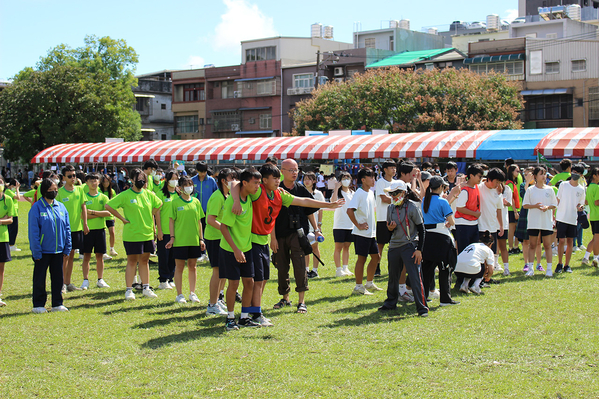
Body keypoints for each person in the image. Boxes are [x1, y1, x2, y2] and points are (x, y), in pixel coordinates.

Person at [232, 163, 342, 323]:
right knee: (256, 280)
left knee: (262, 279)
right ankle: (252, 314)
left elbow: (303, 201)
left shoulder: (278, 195)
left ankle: (253, 313)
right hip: (253, 240)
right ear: (264, 180)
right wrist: (236, 200)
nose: (278, 181)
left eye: (278, 178)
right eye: (274, 178)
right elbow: (235, 184)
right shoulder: (258, 191)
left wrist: (328, 205)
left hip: (264, 240)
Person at [271, 159, 321, 313]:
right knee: (282, 267)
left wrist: (316, 228)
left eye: (296, 170)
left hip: (298, 234)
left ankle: (301, 301)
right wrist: (272, 238)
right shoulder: (276, 189)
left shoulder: (300, 189)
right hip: (280, 234)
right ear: (282, 171)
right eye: (291, 170)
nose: (294, 173)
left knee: (300, 267)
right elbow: (270, 217)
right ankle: (285, 298)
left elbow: (309, 210)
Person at [106, 168, 162, 300]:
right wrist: (122, 219)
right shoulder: (125, 195)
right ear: (131, 180)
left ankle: (146, 288)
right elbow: (109, 206)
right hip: (132, 235)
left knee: (145, 261)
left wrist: (153, 225)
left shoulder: (149, 194)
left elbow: (158, 205)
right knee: (132, 262)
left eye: (143, 178)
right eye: (138, 179)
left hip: (147, 234)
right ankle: (129, 289)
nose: (141, 181)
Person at [378, 180, 428, 316]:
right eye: (391, 193)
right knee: (393, 276)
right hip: (394, 246)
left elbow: (421, 229)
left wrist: (419, 250)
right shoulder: (390, 208)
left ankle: (422, 308)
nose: (393, 196)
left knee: (415, 277)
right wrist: (390, 228)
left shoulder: (412, 207)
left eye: (396, 193)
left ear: (404, 193)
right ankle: (390, 303)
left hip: (409, 246)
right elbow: (389, 230)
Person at [219, 168, 261, 331]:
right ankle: (230, 318)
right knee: (234, 283)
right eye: (255, 183)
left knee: (249, 282)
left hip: (247, 247)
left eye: (259, 183)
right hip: (231, 249)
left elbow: (235, 184)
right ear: (245, 183)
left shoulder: (248, 196)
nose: (258, 186)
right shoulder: (231, 202)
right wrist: (236, 249)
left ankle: (244, 317)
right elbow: (223, 228)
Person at [29, 178, 71, 313]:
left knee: (58, 278)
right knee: (40, 278)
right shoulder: (36, 207)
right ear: (44, 191)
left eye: (55, 190)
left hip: (58, 250)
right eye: (50, 190)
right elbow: (33, 232)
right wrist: (36, 251)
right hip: (43, 250)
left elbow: (67, 228)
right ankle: (38, 304)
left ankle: (57, 303)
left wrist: (67, 246)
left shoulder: (61, 207)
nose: (54, 192)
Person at [165, 176, 205, 304]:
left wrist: (201, 239)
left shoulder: (196, 202)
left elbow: (199, 221)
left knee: (193, 267)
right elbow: (171, 221)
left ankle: (192, 293)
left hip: (193, 240)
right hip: (180, 241)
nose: (189, 187)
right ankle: (179, 294)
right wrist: (172, 238)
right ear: (180, 188)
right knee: (179, 267)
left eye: (190, 184)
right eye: (186, 185)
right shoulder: (175, 203)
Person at [421, 176, 459, 306]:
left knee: (427, 270)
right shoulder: (443, 202)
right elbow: (451, 221)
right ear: (442, 187)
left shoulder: (424, 200)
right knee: (444, 269)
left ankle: (424, 297)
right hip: (441, 237)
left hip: (427, 238)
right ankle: (445, 299)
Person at [204, 168, 236, 316]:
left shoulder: (227, 195)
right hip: (214, 237)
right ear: (223, 181)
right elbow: (210, 219)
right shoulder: (217, 196)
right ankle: (212, 305)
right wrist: (225, 230)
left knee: (223, 272)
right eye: (232, 178)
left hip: (222, 237)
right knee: (217, 271)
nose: (234, 181)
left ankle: (217, 300)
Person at [347, 168, 382, 295]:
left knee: (376, 257)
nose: (373, 180)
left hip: (371, 233)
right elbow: (350, 210)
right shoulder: (359, 193)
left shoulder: (370, 193)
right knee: (362, 259)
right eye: (371, 177)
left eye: (374, 177)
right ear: (363, 180)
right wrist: (358, 225)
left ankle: (369, 282)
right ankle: (358, 286)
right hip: (361, 234)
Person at [56, 165, 88, 293]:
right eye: (70, 176)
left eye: (74, 175)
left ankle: (68, 282)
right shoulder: (59, 193)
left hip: (77, 228)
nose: (73, 178)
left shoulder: (79, 190)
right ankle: (61, 283)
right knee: (64, 257)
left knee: (72, 255)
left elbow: (83, 207)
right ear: (63, 178)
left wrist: (85, 223)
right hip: (64, 229)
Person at [522, 166, 558, 277]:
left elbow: (554, 204)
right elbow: (525, 205)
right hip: (533, 222)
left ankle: (549, 269)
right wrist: (535, 206)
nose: (544, 176)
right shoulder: (531, 190)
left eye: (545, 173)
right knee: (532, 244)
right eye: (541, 174)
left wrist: (547, 207)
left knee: (547, 245)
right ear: (536, 176)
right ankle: (531, 268)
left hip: (546, 221)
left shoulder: (550, 189)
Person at [79, 173, 111, 289]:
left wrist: (91, 212)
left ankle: (100, 279)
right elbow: (82, 215)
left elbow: (108, 212)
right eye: (91, 180)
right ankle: (85, 280)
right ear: (86, 183)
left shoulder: (103, 197)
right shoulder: (83, 197)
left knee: (99, 256)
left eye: (96, 180)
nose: (94, 183)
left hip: (100, 230)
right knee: (86, 256)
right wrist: (99, 214)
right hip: (87, 230)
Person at [554, 164, 585, 274]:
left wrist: (580, 207)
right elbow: (558, 199)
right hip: (562, 217)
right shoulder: (563, 184)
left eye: (578, 173)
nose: (575, 175)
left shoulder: (581, 189)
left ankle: (567, 264)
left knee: (570, 241)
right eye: (574, 172)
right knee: (561, 240)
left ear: (581, 175)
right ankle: (560, 263)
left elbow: (581, 203)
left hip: (572, 218)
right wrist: (554, 214)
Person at [477, 167, 505, 272]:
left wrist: (501, 226)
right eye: (496, 182)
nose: (498, 185)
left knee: (491, 254)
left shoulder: (497, 193)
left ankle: (488, 275)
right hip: (480, 226)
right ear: (489, 179)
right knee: (481, 254)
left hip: (493, 227)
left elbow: (499, 210)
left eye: (500, 183)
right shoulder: (479, 188)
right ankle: (480, 276)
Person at [155, 170, 179, 290]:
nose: (175, 181)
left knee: (173, 256)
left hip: (176, 231)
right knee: (164, 256)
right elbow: (157, 214)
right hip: (164, 230)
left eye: (176, 178)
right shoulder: (160, 194)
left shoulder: (179, 194)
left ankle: (170, 277)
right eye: (172, 179)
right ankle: (163, 279)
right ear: (167, 180)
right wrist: (159, 230)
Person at [374, 160, 397, 277]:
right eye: (391, 168)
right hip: (383, 218)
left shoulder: (397, 182)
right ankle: (376, 267)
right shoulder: (380, 183)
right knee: (380, 245)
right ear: (385, 170)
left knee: (395, 245)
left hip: (395, 218)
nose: (393, 170)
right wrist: (397, 199)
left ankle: (393, 267)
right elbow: (384, 198)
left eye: (394, 167)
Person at [453, 164, 484, 253]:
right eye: (479, 176)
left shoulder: (476, 186)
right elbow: (459, 208)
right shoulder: (465, 190)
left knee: (473, 250)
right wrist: (475, 213)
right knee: (464, 251)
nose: (480, 178)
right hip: (463, 223)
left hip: (473, 223)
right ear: (471, 175)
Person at [192, 161, 218, 262]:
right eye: (201, 171)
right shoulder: (192, 181)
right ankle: (201, 252)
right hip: (196, 212)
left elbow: (216, 195)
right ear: (197, 171)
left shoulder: (211, 181)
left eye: (205, 171)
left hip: (209, 212)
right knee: (199, 232)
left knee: (208, 232)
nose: (203, 174)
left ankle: (208, 252)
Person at [331, 172, 355, 277]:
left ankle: (345, 268)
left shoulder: (353, 193)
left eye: (347, 178)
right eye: (343, 178)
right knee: (338, 247)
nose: (346, 180)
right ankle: (338, 269)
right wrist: (336, 188)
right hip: (339, 224)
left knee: (347, 246)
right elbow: (333, 202)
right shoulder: (338, 192)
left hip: (350, 224)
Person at [302, 172, 325, 278]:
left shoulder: (318, 194)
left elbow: (320, 211)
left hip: (314, 225)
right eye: (305, 179)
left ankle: (315, 270)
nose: (306, 181)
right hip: (303, 225)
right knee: (305, 248)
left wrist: (319, 225)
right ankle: (306, 270)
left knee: (315, 247)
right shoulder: (300, 192)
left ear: (314, 181)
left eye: (309, 179)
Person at [0, 177, 15, 307]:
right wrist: (2, 218)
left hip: (3, 238)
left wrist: (1, 220)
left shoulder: (8, 199)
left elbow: (10, 219)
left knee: (1, 269)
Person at [583, 166, 599, 267]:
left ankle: (586, 257)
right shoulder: (597, 187)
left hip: (593, 215)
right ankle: (596, 258)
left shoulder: (589, 187)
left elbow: (587, 202)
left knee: (595, 238)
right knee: (597, 239)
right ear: (594, 175)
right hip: (597, 215)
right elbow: (597, 202)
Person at [99, 175, 118, 257]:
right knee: (102, 234)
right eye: (104, 182)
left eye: (107, 181)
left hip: (109, 215)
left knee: (112, 232)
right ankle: (103, 251)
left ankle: (111, 248)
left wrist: (114, 215)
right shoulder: (99, 191)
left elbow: (114, 205)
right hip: (100, 215)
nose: (106, 183)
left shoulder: (112, 191)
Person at [506, 164, 522, 254]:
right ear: (512, 172)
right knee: (511, 229)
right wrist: (515, 211)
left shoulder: (514, 182)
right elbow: (510, 198)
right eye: (517, 171)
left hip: (516, 208)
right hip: (511, 209)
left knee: (517, 229)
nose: (518, 173)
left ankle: (516, 246)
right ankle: (511, 247)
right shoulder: (509, 183)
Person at [5, 179, 21, 253]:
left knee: (13, 230)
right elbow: (18, 197)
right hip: (12, 213)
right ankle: (11, 245)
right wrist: (17, 189)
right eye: (15, 185)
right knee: (12, 230)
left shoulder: (10, 191)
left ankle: (11, 245)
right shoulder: (8, 191)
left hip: (15, 212)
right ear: (11, 186)